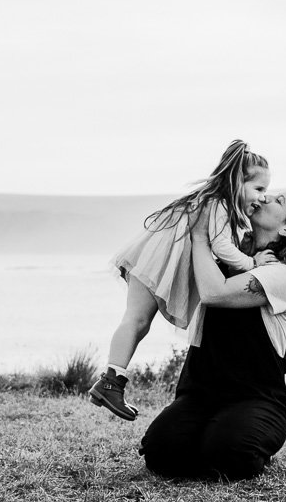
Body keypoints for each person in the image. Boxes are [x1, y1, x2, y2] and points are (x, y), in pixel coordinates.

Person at [139, 187, 286, 480]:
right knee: (159, 452)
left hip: (255, 399)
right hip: (200, 395)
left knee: (229, 456)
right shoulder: (231, 259)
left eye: (279, 201)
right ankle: (204, 437)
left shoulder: (285, 275)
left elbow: (214, 293)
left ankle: (233, 440)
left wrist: (201, 235)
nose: (266, 197)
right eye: (269, 192)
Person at [88, 141, 272, 421]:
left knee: (137, 321)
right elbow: (222, 247)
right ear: (237, 181)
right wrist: (252, 264)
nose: (262, 197)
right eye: (258, 189)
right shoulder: (219, 205)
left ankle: (112, 380)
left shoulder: (212, 200)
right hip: (157, 262)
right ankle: (110, 383)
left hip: (151, 258)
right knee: (136, 321)